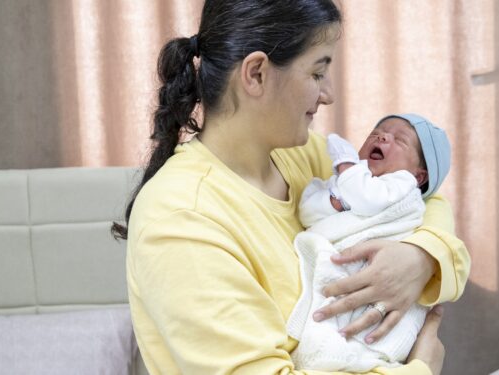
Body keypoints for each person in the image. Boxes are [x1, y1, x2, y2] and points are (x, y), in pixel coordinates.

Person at [112, 1, 471, 374]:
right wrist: (421, 368)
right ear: (256, 74)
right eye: (317, 73)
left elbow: (422, 196)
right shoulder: (182, 217)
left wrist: (419, 257)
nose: (328, 93)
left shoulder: (300, 157)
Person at [288, 114, 453, 372]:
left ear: (419, 177)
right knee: (332, 313)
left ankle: (349, 355)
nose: (382, 136)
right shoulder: (349, 182)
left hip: (380, 269)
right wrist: (335, 201)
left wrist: (346, 167)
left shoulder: (401, 185)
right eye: (376, 132)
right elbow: (308, 213)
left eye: (400, 140)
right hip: (346, 263)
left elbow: (368, 199)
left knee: (359, 324)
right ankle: (332, 353)